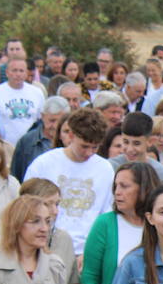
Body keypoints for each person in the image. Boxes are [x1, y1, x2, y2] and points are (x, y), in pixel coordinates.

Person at [23, 108, 116, 254]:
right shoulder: (44, 164)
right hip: (48, 246)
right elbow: (26, 206)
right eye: (84, 146)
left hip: (88, 249)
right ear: (71, 135)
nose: (89, 153)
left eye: (95, 147)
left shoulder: (105, 169)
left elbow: (107, 213)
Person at [9, 96, 68, 180]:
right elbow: (16, 175)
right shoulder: (27, 142)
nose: (55, 126)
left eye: (60, 121)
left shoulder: (71, 141)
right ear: (42, 117)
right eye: (52, 121)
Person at [0, 57, 46, 146]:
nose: (18, 74)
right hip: (5, 146)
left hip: (31, 145)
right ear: (7, 72)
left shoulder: (37, 93)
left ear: (26, 73)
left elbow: (42, 120)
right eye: (14, 70)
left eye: (21, 71)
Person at [109, 111, 163, 180]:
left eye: (136, 143)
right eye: (126, 142)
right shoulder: (110, 167)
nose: (130, 149)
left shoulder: (162, 174)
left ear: (149, 141)